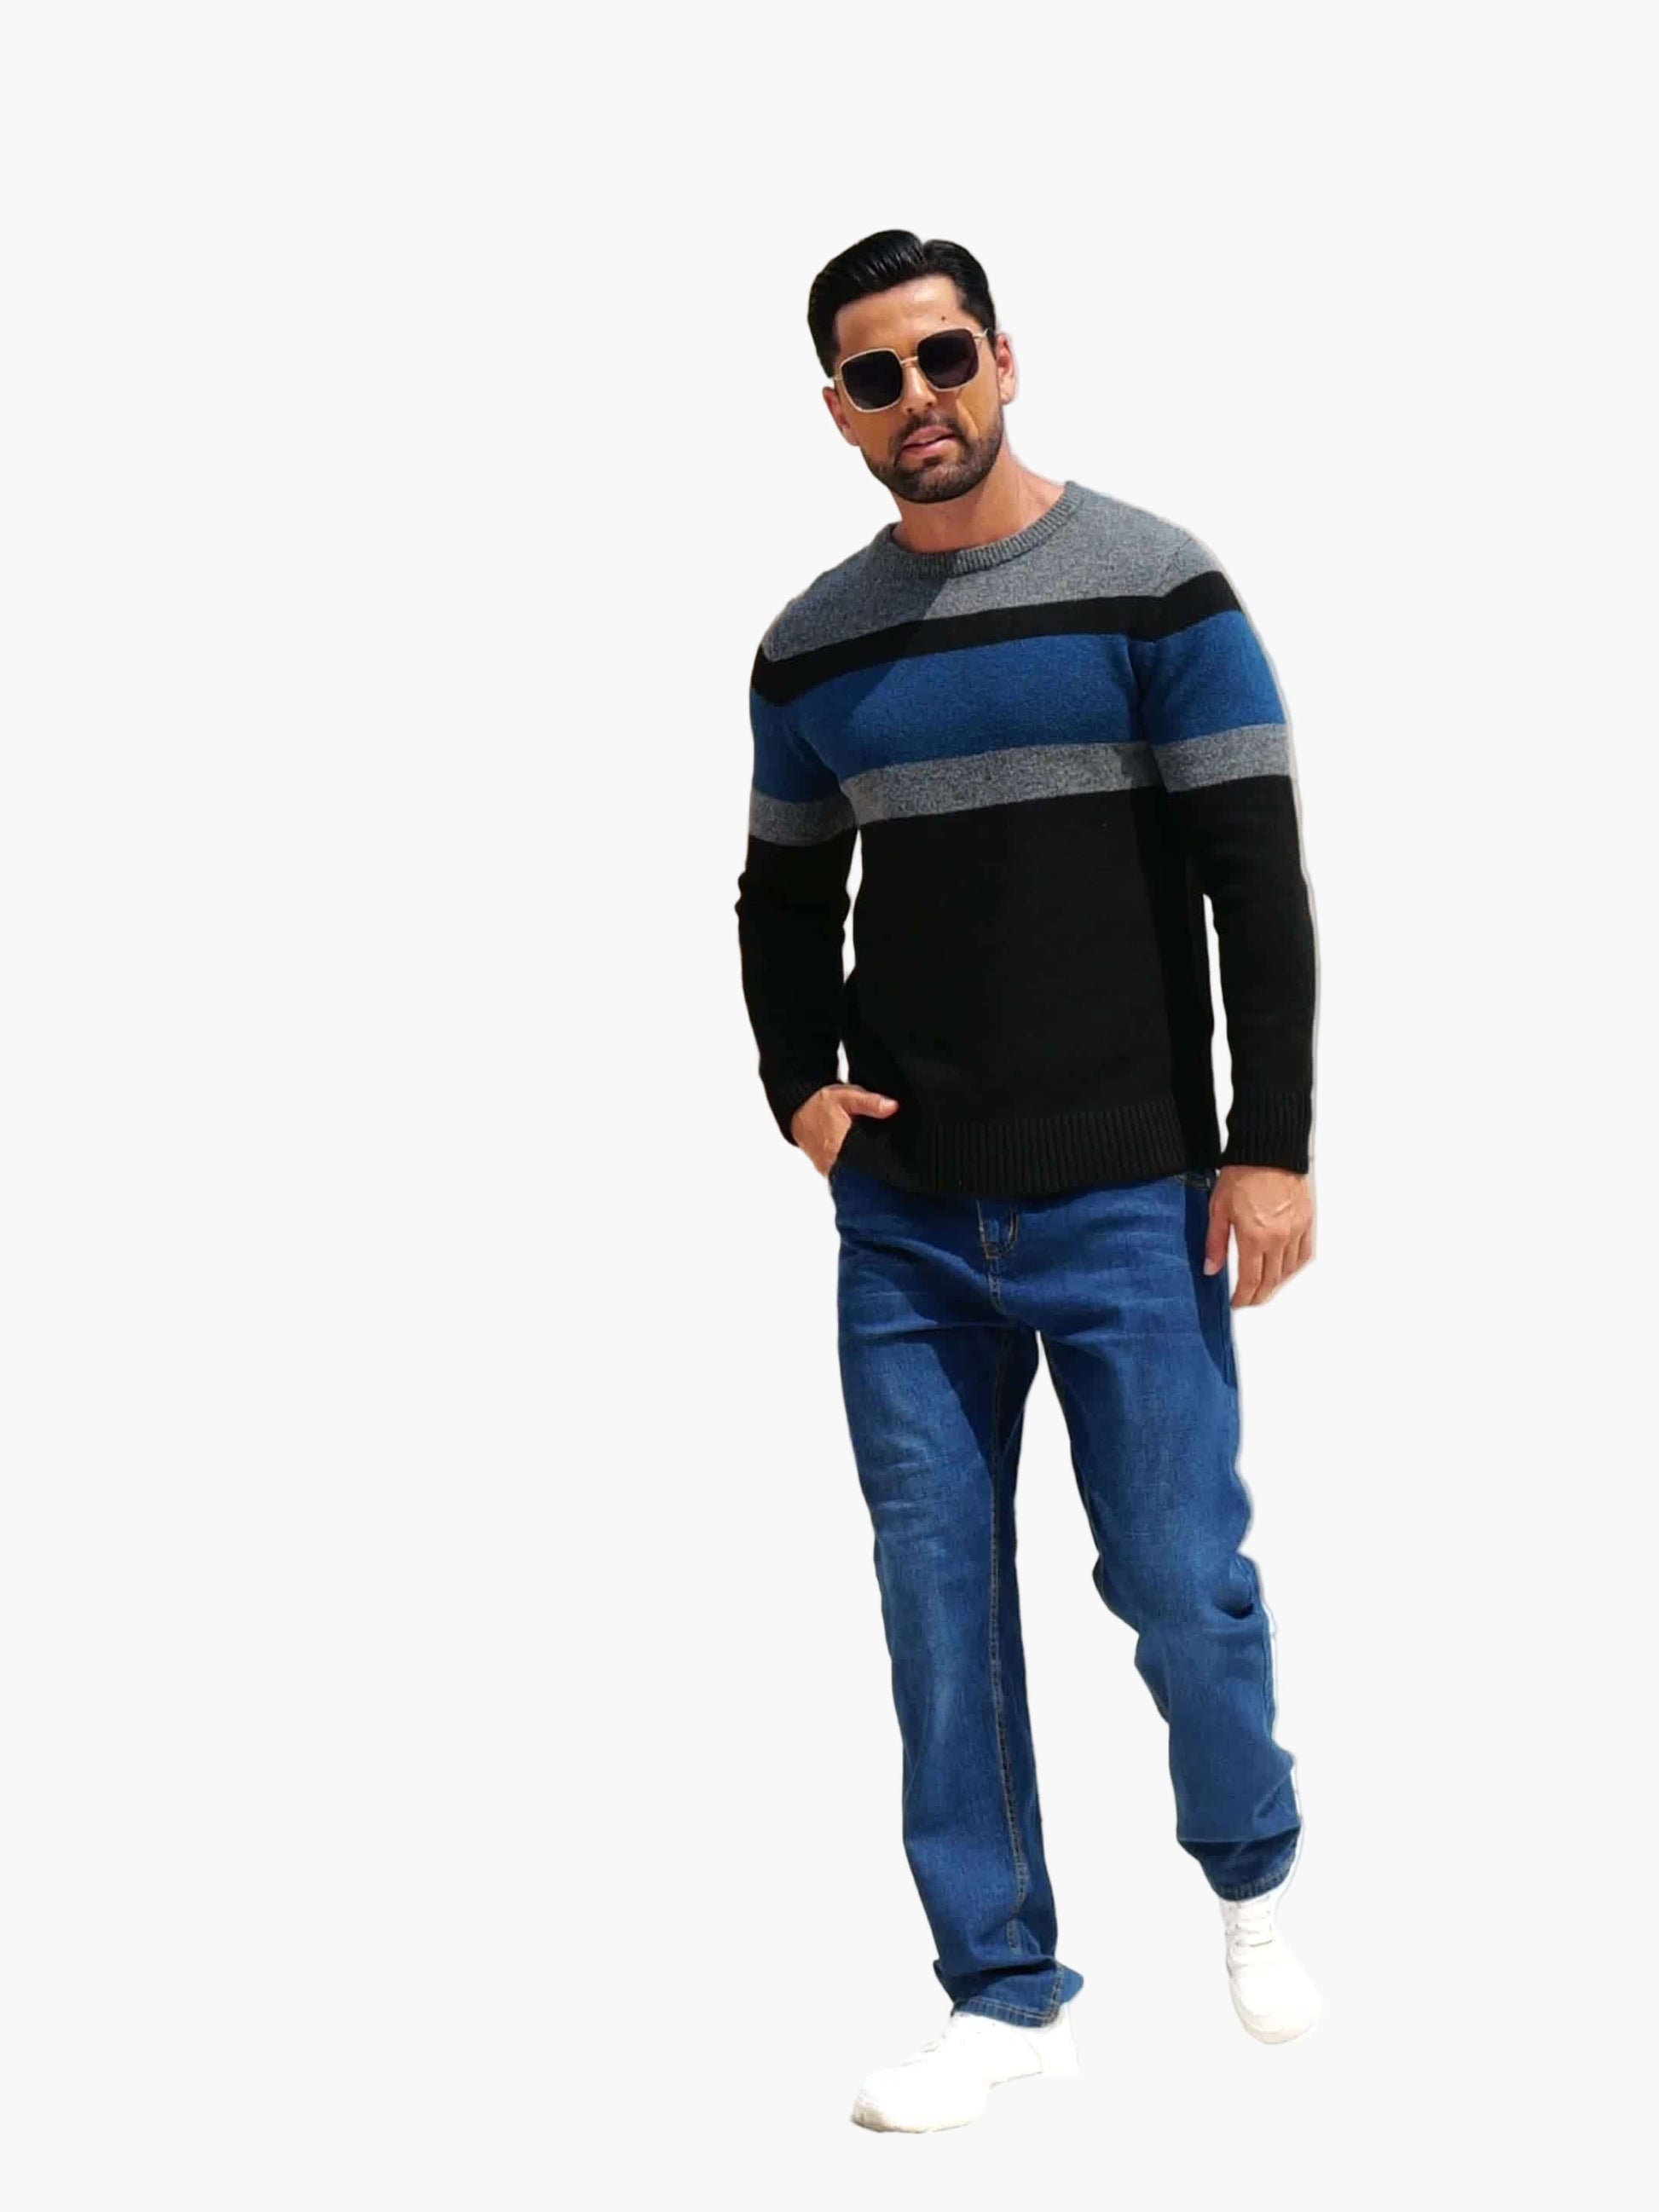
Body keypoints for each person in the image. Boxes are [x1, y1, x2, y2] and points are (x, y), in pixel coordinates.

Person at [733, 229, 1323, 2134]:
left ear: (1002, 357)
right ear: (838, 410)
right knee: (937, 1607)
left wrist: (1269, 1144)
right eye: (875, 376)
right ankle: (1002, 1990)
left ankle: (1248, 1876)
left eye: (942, 357)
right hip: (905, 1225)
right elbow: (778, 893)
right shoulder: (812, 645)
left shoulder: (1158, 587)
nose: (918, 399)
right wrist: (800, 1091)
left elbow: (1254, 881)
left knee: (1175, 1576)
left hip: (1130, 1199)